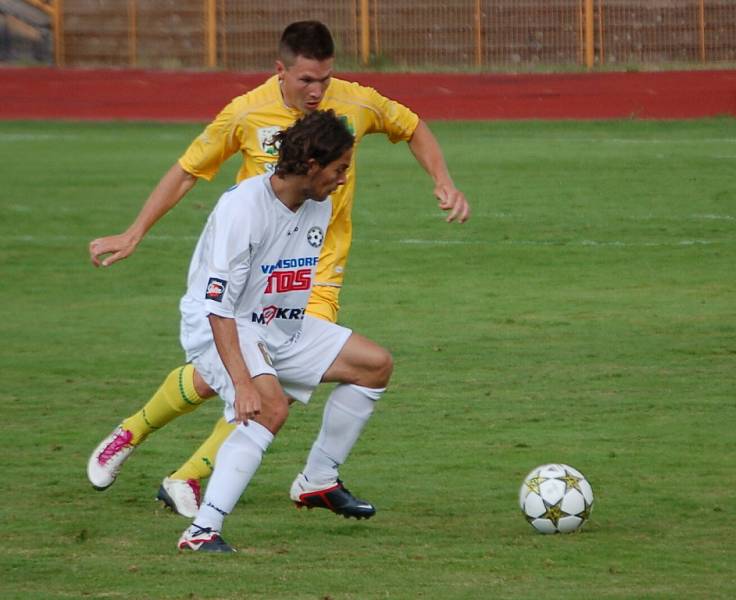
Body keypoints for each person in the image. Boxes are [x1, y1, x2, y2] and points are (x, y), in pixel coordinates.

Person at [86, 20, 469, 518]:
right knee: (225, 377)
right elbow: (187, 170)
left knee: (270, 382)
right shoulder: (246, 111)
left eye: (324, 80)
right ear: (281, 70)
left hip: (316, 275)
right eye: (306, 80)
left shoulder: (356, 103)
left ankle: (188, 475)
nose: (317, 91)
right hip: (252, 278)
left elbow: (413, 127)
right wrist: (135, 231)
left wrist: (443, 181)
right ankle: (140, 439)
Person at [95, 110, 388, 553]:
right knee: (268, 408)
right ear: (311, 166)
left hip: (277, 325)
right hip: (219, 324)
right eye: (340, 168)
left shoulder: (319, 204)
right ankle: (201, 531)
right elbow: (218, 308)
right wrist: (242, 382)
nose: (344, 179)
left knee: (374, 366)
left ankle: (317, 481)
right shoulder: (242, 210)